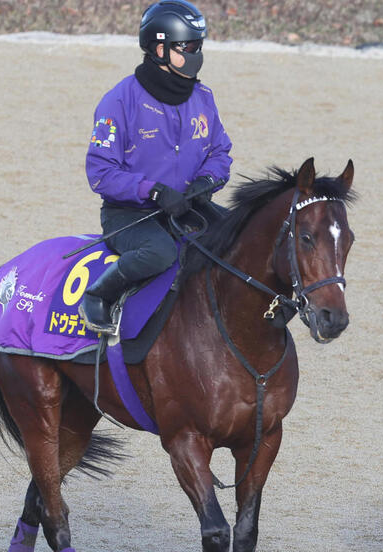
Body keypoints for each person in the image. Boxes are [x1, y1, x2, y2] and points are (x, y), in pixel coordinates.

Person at [80, 0, 232, 334]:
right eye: (188, 46)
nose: (197, 53)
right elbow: (101, 172)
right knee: (160, 252)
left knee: (239, 236)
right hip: (131, 214)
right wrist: (155, 191)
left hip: (189, 205)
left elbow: (220, 152)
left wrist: (206, 182)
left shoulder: (202, 97)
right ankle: (98, 296)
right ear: (159, 48)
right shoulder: (119, 100)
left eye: (199, 45)